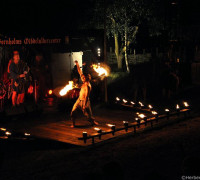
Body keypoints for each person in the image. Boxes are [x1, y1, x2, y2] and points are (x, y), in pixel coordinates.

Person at [70, 60, 98, 127]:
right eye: (82, 77)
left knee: (88, 115)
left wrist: (84, 105)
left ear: (87, 78)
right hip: (79, 100)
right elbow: (79, 71)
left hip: (85, 101)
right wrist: (77, 64)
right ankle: (73, 124)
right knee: (73, 111)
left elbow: (86, 96)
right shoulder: (83, 82)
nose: (82, 78)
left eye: (83, 77)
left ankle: (93, 122)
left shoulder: (88, 86)